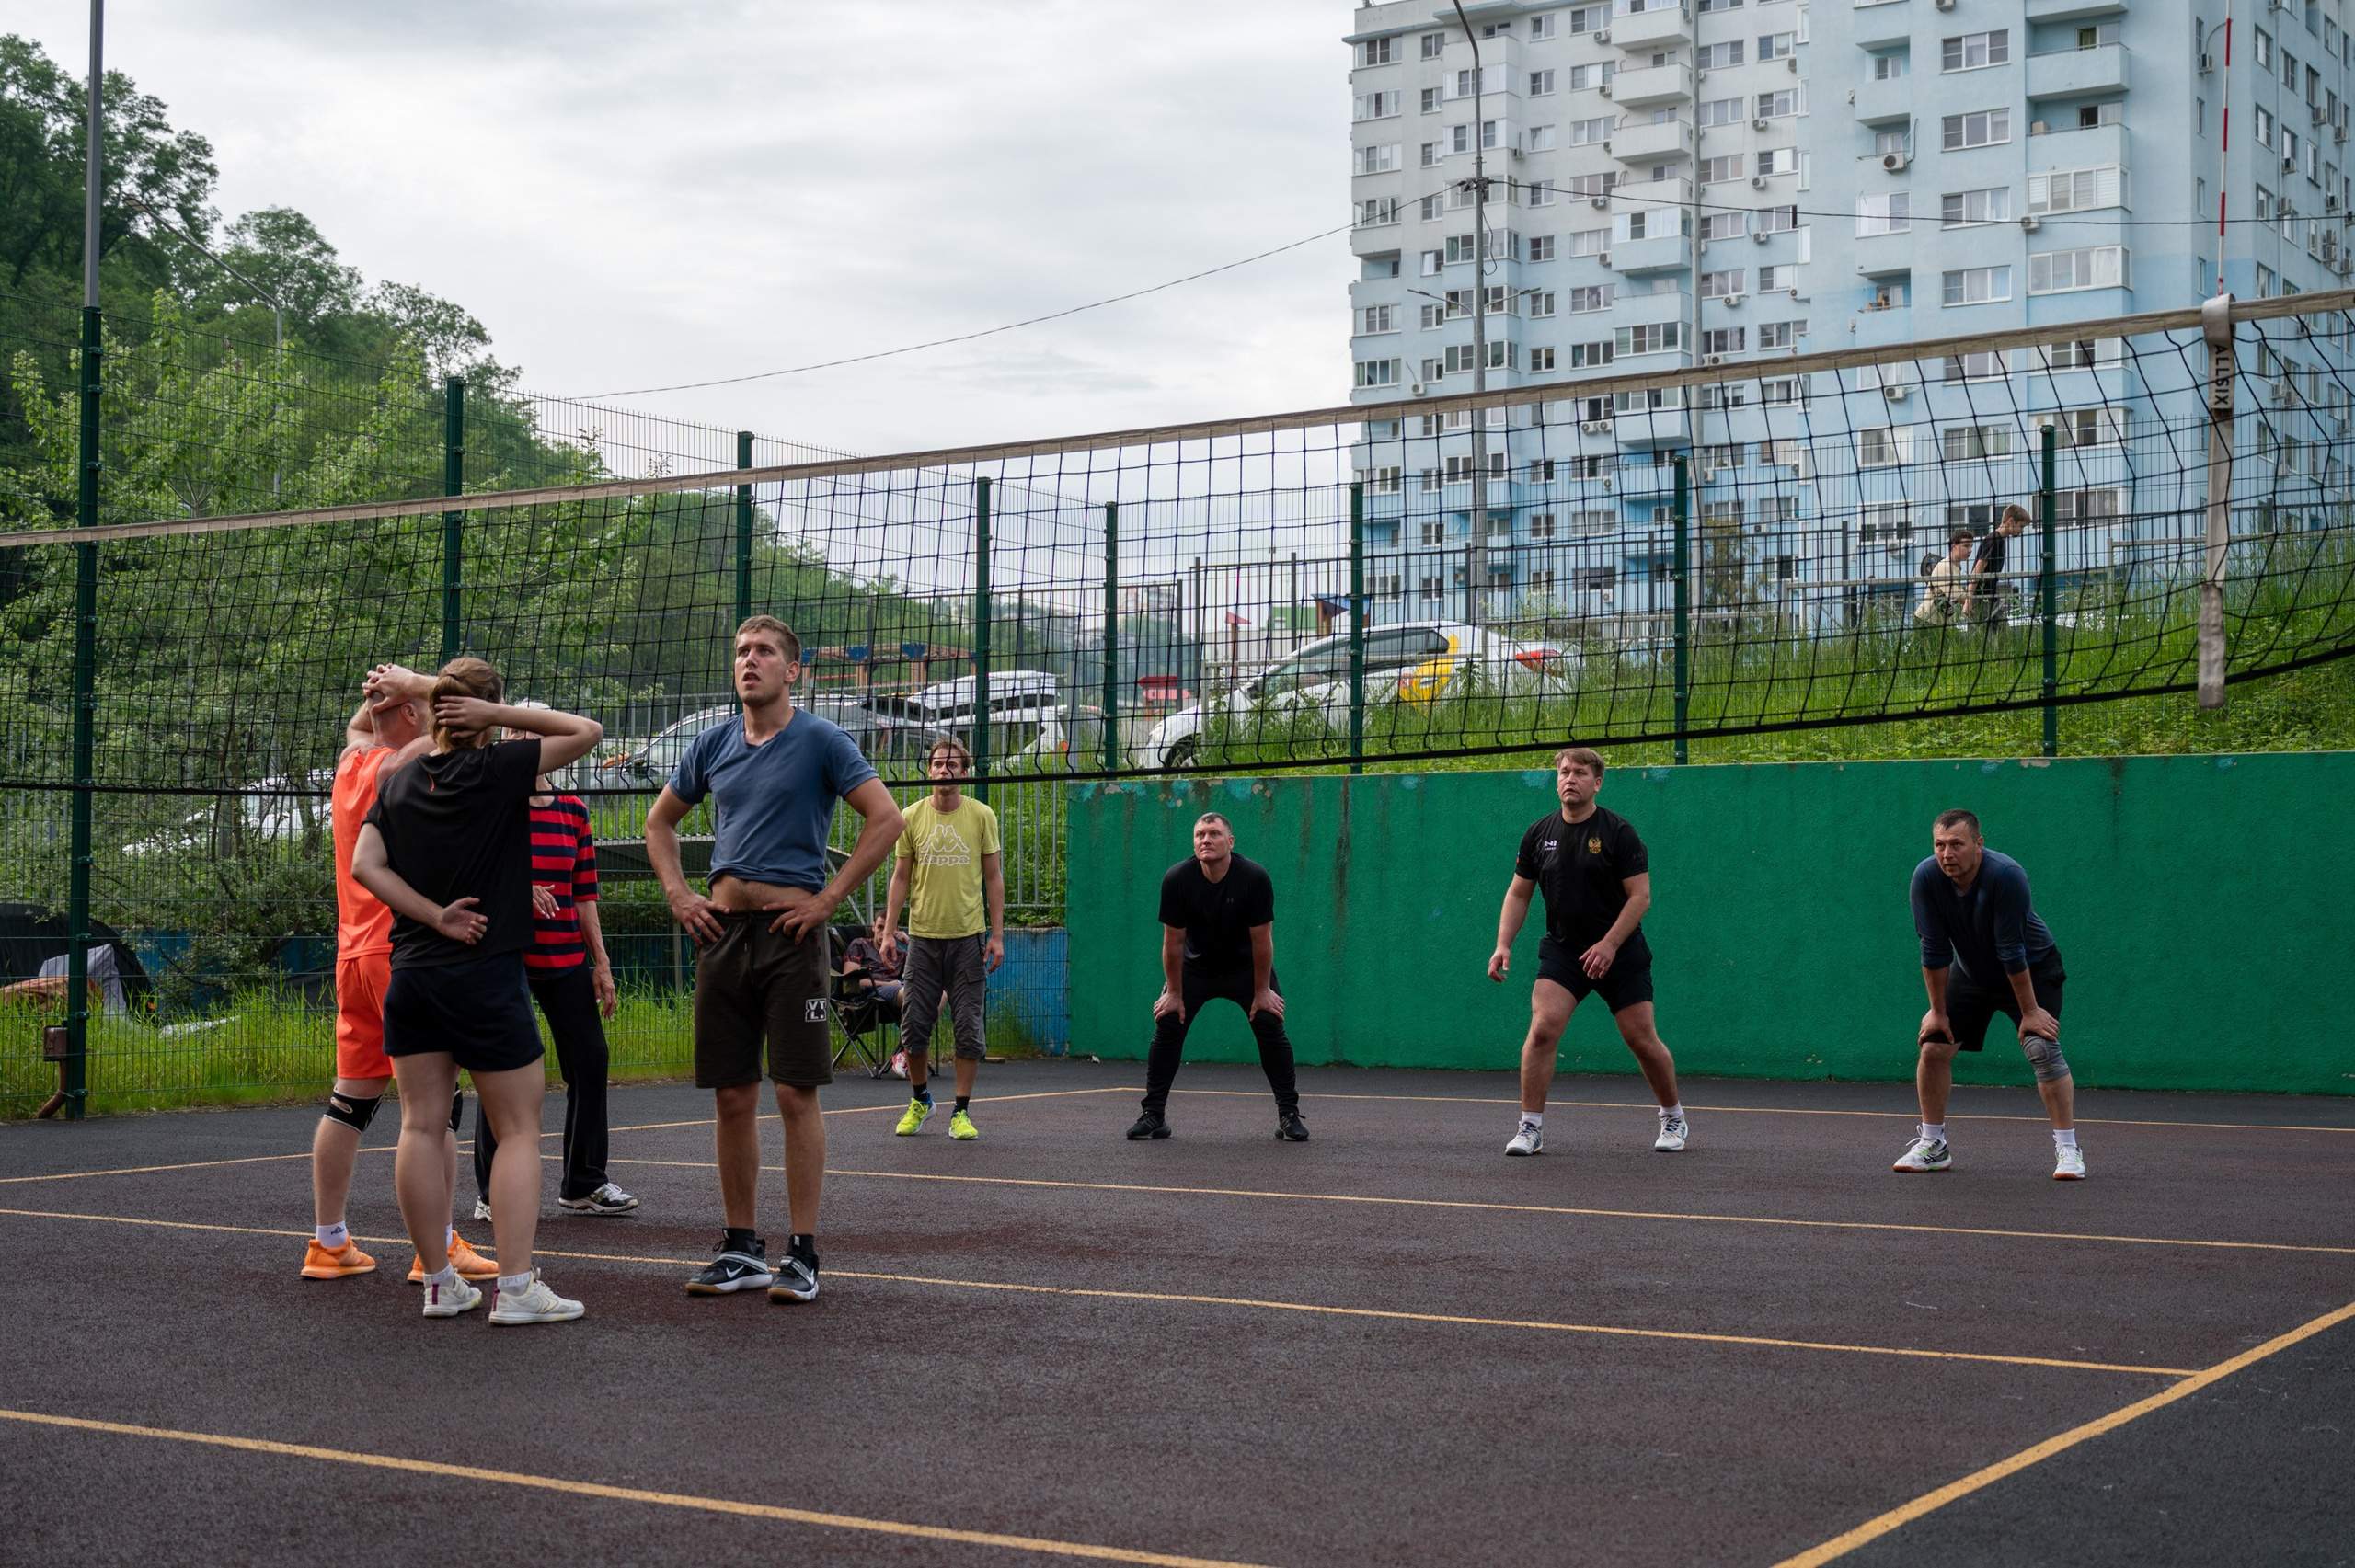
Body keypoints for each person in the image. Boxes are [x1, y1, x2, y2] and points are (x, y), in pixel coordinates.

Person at [647, 616, 903, 1303]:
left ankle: (803, 1252)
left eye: (763, 652)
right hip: (724, 935)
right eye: (740, 652)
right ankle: (740, 1249)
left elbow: (887, 819)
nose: (748, 661)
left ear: (794, 671)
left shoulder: (822, 739)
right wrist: (679, 895)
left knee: (795, 1092)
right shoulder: (713, 743)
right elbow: (658, 823)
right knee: (733, 1095)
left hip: (792, 938)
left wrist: (828, 901)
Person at [350, 658, 605, 1322]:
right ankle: (516, 1288)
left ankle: (439, 1281)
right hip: (484, 974)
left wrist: (433, 915)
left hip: (413, 975)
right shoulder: (496, 770)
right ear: (485, 715)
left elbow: (364, 864)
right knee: (519, 1127)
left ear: (436, 713)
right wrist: (496, 718)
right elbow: (587, 730)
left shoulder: (401, 778)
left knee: (419, 1124)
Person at [301, 665, 496, 1286]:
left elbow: (366, 723)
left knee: (349, 1104)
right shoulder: (405, 762)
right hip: (399, 951)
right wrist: (416, 683)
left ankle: (329, 1240)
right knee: (435, 1109)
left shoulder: (351, 762)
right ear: (414, 715)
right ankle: (434, 1247)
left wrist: (382, 693)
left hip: (352, 955)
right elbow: (468, 708)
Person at [471, 711, 638, 1221]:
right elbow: (468, 875)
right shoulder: (490, 804)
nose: (521, 739)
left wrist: (602, 963)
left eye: (531, 732)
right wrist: (518, 892)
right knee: (506, 1070)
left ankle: (584, 1183)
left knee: (591, 1059)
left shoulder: (572, 810)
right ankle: (491, 1190)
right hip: (506, 957)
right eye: (513, 732)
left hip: (564, 957)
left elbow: (584, 896)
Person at [1487, 746, 1687, 1156]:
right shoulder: (1538, 835)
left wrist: (1610, 944)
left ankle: (1673, 1118)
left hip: (1621, 951)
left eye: (1579, 773)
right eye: (1563, 772)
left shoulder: (1619, 832)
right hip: (1564, 951)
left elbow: (1641, 897)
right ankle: (1530, 1128)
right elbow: (1519, 893)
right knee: (1543, 1029)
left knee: (1641, 1039)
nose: (1569, 779)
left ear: (1597, 782)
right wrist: (1503, 943)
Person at [1896, 809, 2083, 1180]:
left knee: (2041, 1048)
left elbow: (2011, 950)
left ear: (1979, 845)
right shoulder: (1926, 877)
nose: (1947, 854)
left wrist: (2030, 1012)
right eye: (1939, 845)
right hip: (1973, 971)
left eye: (1956, 845)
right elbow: (1933, 950)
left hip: (2032, 967)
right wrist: (1938, 1011)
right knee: (1934, 1045)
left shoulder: (2006, 876)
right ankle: (1934, 1145)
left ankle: (2068, 1149)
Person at [1127, 812, 1307, 1142]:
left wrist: (1263, 990)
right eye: (1199, 835)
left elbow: (1262, 941)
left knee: (1269, 1022)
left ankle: (1288, 1115)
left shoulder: (1253, 877)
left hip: (1246, 968)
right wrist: (1175, 994)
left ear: (1230, 841)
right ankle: (1153, 1115)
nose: (1205, 840)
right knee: (1167, 1022)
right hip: (1196, 968)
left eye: (1213, 834)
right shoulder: (1177, 879)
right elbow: (1172, 943)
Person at [877, 738, 1005, 1140]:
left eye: (952, 764)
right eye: (937, 763)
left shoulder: (982, 815)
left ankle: (961, 1112)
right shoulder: (910, 817)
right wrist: (888, 931)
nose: (944, 769)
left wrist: (997, 935)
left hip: (968, 937)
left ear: (964, 771)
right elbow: (899, 877)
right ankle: (920, 1100)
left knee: (968, 1027)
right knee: (914, 1025)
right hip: (923, 940)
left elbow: (993, 877)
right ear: (929, 770)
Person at [1967, 505, 2032, 631]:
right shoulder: (1993, 540)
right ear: (2011, 521)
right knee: (1978, 637)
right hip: (1981, 598)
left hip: (1991, 596)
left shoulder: (2000, 540)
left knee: (2003, 635)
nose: (2022, 530)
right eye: (2021, 526)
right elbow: (1977, 569)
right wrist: (1969, 599)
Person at [1913, 530, 1975, 628]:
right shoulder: (1944, 566)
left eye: (1971, 546)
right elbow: (1959, 597)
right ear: (1953, 546)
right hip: (1927, 620)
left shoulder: (1955, 566)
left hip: (1941, 621)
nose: (1970, 550)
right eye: (1966, 546)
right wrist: (1977, 601)